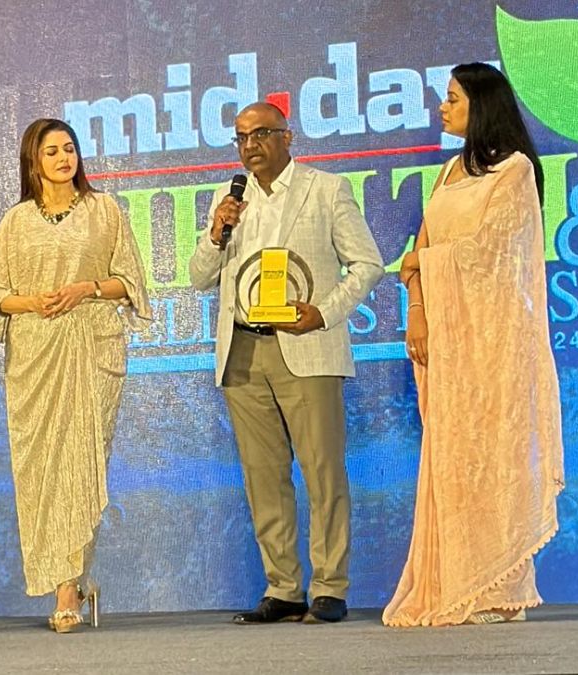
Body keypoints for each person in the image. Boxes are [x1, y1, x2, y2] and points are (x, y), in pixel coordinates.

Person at [383, 63, 565, 627]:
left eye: (453, 98)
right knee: (453, 458)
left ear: (481, 105)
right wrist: (418, 313)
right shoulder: (447, 171)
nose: (443, 107)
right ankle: (455, 585)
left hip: (494, 342)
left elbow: (493, 255)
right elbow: (419, 254)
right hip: (445, 338)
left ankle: (499, 589)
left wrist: (424, 262)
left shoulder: (514, 171)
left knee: (495, 455)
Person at [189, 102, 384, 625]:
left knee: (323, 471)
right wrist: (216, 233)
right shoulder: (230, 199)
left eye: (261, 134)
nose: (250, 145)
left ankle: (330, 587)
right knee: (263, 475)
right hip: (243, 349)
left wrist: (324, 313)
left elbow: (368, 264)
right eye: (241, 137)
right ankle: (283, 588)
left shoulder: (326, 190)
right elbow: (199, 276)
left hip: (306, 345)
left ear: (287, 137)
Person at [0, 118, 152, 633]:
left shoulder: (104, 210)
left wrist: (86, 289)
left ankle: (68, 588)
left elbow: (130, 282)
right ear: (33, 161)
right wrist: (32, 302)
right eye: (52, 150)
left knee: (81, 464)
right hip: (34, 356)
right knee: (43, 473)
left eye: (70, 148)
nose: (63, 158)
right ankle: (66, 578)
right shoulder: (16, 221)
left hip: (93, 347)